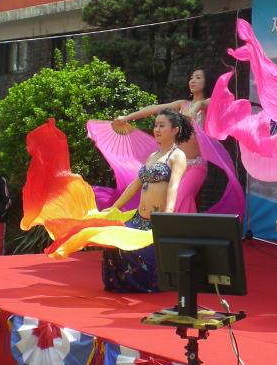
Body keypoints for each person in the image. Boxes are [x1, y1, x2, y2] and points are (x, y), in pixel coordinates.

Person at [106, 67, 244, 216]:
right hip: (174, 165)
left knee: (181, 197)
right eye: (191, 77)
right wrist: (127, 118)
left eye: (198, 77)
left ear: (207, 82)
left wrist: (195, 108)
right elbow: (155, 109)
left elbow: (203, 104)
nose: (193, 80)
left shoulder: (209, 103)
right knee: (163, 199)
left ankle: (181, 233)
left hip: (196, 166)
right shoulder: (182, 104)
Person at [103, 109, 191, 292]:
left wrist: (168, 213)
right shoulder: (153, 156)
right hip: (138, 218)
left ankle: (144, 286)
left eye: (162, 125)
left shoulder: (177, 156)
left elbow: (174, 186)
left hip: (155, 220)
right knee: (113, 244)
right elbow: (134, 185)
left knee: (143, 257)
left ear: (175, 130)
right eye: (155, 125)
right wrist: (114, 208)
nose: (157, 129)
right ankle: (123, 286)